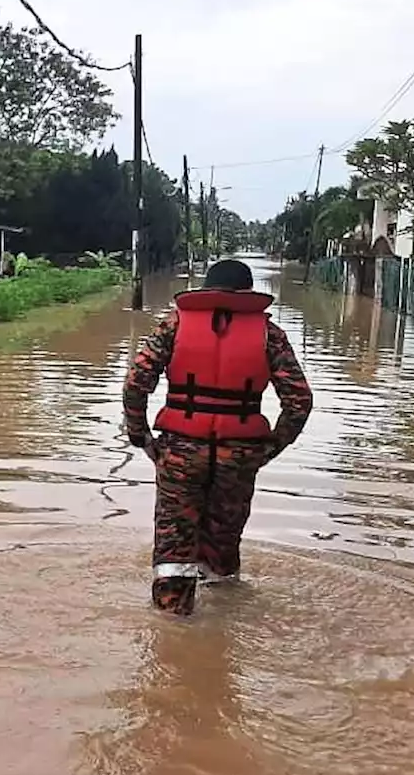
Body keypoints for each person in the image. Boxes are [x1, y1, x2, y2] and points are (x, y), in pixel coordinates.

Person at [122, 259, 313, 615]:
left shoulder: (175, 325)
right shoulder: (269, 335)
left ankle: (172, 627)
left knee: (174, 544)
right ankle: (222, 633)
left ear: (207, 290)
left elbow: (136, 384)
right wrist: (268, 448)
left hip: (180, 450)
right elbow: (299, 400)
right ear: (247, 293)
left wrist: (141, 436)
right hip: (238, 454)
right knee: (223, 544)